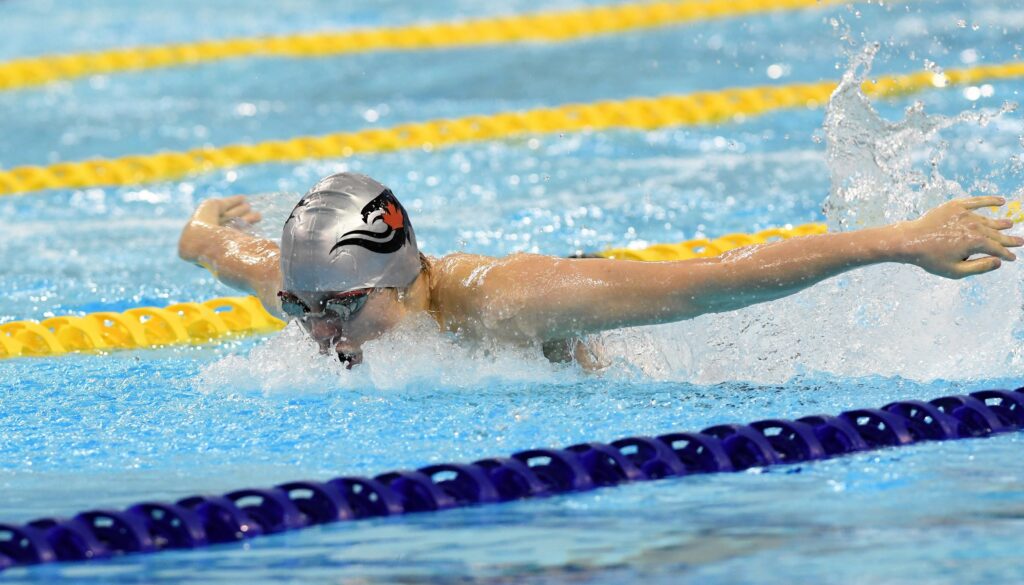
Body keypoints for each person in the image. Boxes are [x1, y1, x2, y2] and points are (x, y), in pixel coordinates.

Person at [178, 171, 1022, 368]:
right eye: (300, 307)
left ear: (403, 278)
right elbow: (211, 249)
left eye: (341, 308)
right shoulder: (313, 292)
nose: (321, 334)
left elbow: (720, 278)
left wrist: (902, 238)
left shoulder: (510, 302)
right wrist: (210, 221)